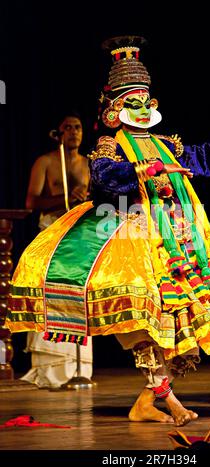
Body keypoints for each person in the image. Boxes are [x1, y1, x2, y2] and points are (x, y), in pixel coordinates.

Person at [6, 36, 210, 423]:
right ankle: (165, 399)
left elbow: (204, 156)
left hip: (182, 235)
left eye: (145, 101)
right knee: (141, 316)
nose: (141, 107)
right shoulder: (109, 146)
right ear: (116, 109)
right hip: (130, 236)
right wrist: (148, 169)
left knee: (183, 317)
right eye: (131, 102)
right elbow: (105, 178)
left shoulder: (165, 142)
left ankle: (148, 400)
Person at [20, 112, 93, 389]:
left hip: (79, 235)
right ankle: (50, 365)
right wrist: (62, 199)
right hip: (52, 231)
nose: (74, 131)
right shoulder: (47, 162)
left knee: (78, 295)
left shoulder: (88, 165)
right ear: (59, 132)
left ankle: (79, 366)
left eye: (78, 127)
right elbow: (31, 202)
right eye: (68, 127)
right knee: (51, 293)